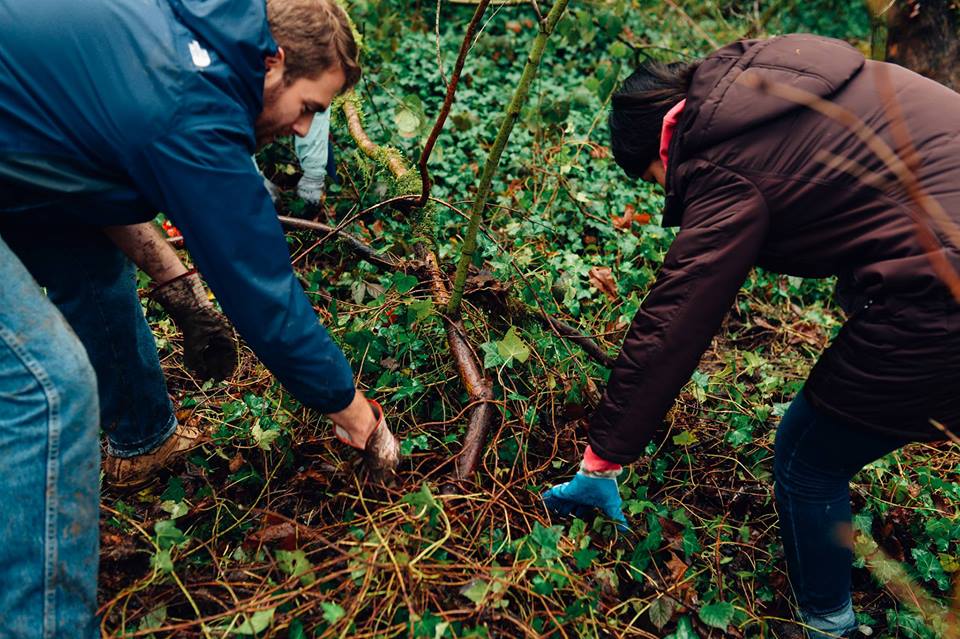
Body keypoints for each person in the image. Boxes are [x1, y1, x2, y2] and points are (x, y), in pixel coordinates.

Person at [0, 0, 399, 636]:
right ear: (274, 64)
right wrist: (356, 415)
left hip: (20, 162)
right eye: (308, 107)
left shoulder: (184, 37)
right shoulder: (192, 103)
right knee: (48, 387)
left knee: (86, 258)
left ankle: (143, 443)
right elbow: (263, 291)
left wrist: (179, 292)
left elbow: (90, 181)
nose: (304, 129)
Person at [543, 34, 960, 638]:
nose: (667, 193)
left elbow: (676, 317)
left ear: (660, 145)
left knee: (806, 457)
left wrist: (602, 459)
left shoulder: (722, 160)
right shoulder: (774, 77)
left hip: (943, 290)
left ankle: (829, 627)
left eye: (655, 179)